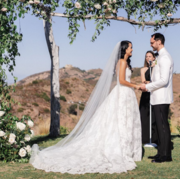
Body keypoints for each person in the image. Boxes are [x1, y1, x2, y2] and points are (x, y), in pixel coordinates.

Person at [30, 41, 142, 174]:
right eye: (130, 47)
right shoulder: (122, 62)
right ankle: (121, 149)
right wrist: (136, 86)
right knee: (121, 120)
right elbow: (122, 81)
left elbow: (125, 80)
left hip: (126, 94)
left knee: (126, 121)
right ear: (124, 49)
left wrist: (138, 83)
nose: (132, 50)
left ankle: (128, 149)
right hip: (123, 93)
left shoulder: (124, 62)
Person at [140, 33, 174, 163]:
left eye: (152, 42)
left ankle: (166, 156)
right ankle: (160, 153)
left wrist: (148, 87)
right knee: (159, 127)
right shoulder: (159, 57)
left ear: (159, 42)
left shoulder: (165, 57)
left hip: (161, 97)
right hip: (156, 97)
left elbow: (164, 80)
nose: (150, 45)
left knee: (163, 126)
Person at [139, 51, 158, 145]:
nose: (148, 58)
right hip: (146, 93)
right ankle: (144, 138)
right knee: (144, 115)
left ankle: (154, 138)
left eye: (150, 56)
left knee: (154, 115)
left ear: (154, 58)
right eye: (146, 56)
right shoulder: (143, 69)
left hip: (154, 93)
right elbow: (143, 81)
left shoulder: (156, 68)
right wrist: (148, 83)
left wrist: (154, 66)